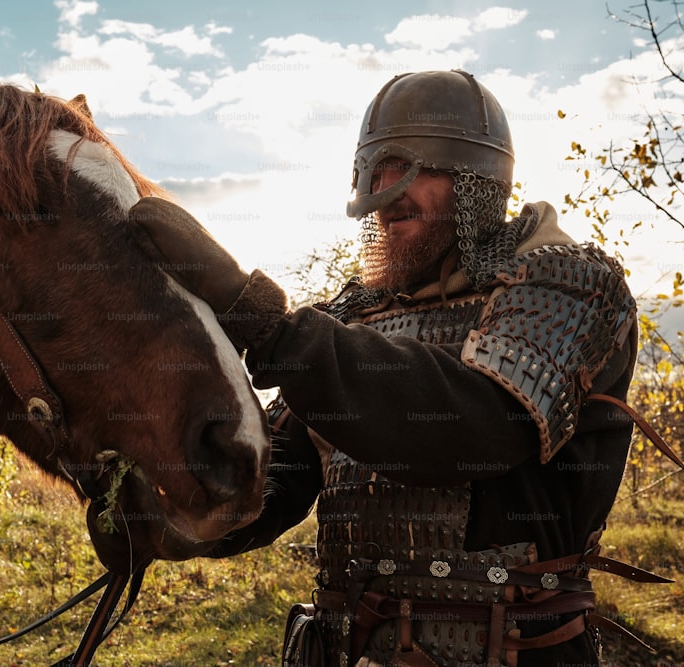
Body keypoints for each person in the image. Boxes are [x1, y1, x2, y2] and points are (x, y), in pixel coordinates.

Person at [128, 70, 671, 666]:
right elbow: (273, 481)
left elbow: (471, 424)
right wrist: (164, 512)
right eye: (374, 172)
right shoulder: (353, 318)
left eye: (414, 168)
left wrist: (272, 326)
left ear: (478, 181)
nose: (387, 192)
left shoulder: (566, 285)